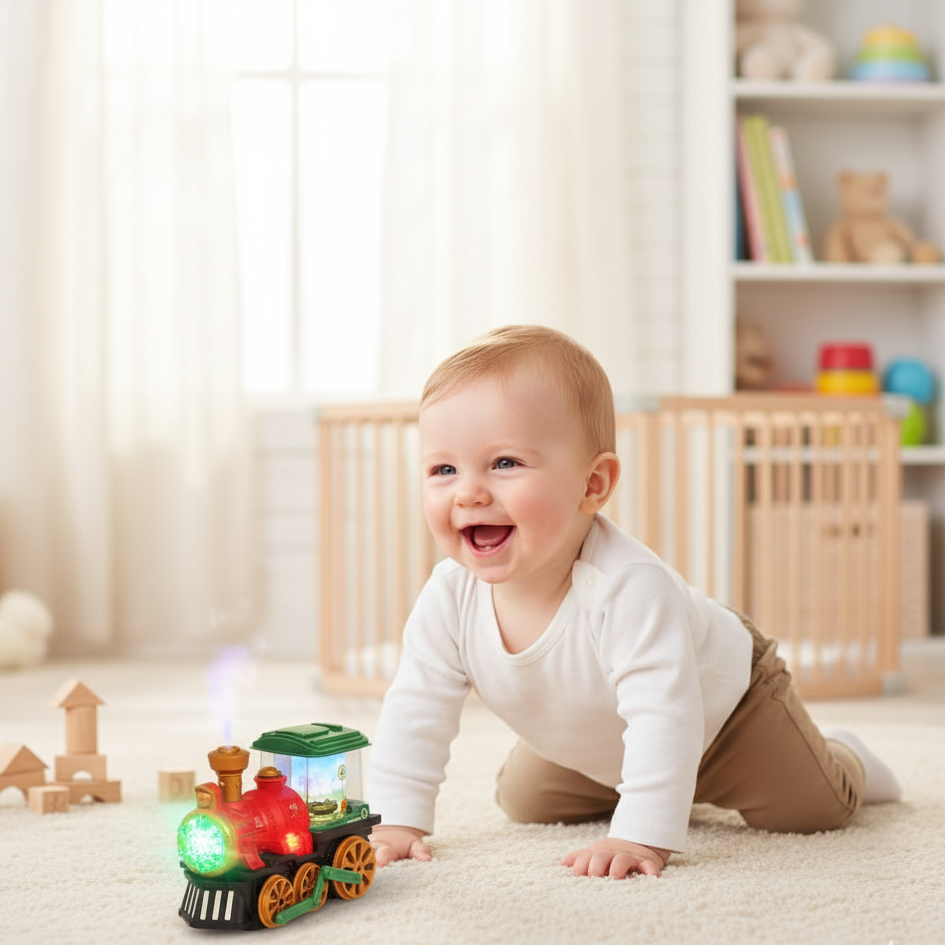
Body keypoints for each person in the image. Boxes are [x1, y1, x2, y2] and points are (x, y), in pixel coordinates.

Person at [367, 324, 901, 879]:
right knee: (527, 802)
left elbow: (664, 712)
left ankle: (844, 753)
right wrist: (397, 819)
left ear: (593, 484)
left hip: (730, 714)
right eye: (444, 469)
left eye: (505, 463)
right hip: (605, 741)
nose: (468, 492)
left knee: (811, 810)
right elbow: (416, 707)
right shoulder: (449, 598)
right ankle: (651, 782)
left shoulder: (627, 586)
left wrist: (641, 832)